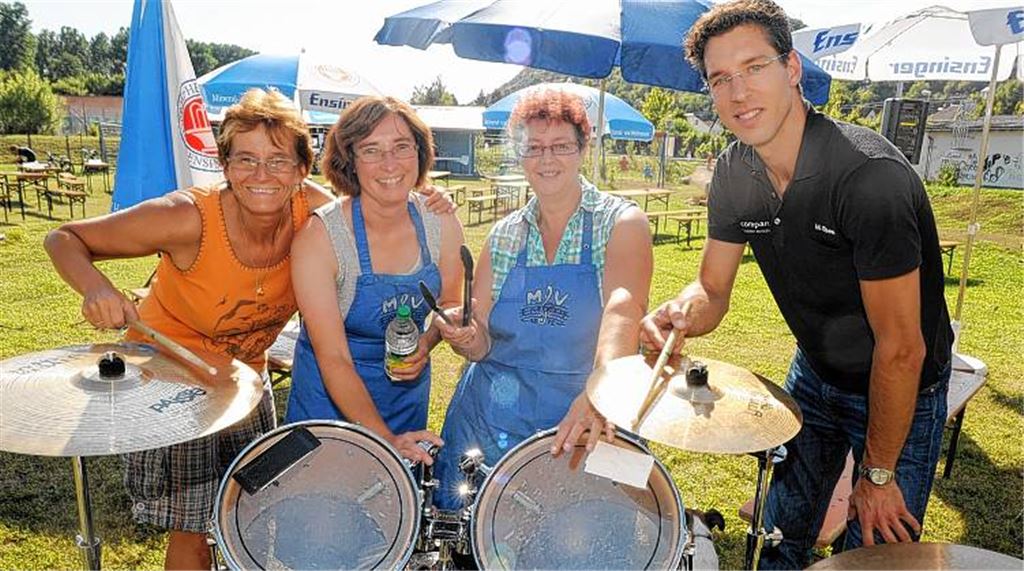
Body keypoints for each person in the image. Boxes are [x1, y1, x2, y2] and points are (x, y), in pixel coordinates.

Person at [44, 88, 453, 570]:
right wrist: (95, 287)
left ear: (302, 169)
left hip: (245, 384)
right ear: (225, 164)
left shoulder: (312, 212)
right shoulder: (185, 217)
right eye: (245, 159)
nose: (262, 175)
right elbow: (63, 238)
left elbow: (370, 199)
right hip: (174, 383)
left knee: (253, 511)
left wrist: (426, 196)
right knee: (195, 527)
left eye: (279, 160)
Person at [639, 1, 953, 568]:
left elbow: (902, 348)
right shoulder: (734, 172)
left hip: (901, 384)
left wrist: (877, 474)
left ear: (791, 70)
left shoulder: (866, 178)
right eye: (720, 79)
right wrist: (680, 311)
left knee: (874, 551)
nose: (738, 93)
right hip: (814, 373)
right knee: (781, 533)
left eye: (754, 67)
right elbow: (712, 288)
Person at [430, 88, 653, 510]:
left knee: (593, 531)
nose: (547, 160)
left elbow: (623, 311)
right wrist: (465, 336)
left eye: (561, 146)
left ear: (583, 148)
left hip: (587, 408)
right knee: (473, 532)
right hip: (493, 416)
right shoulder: (505, 235)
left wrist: (600, 393)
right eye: (533, 148)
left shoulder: (621, 223)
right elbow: (482, 342)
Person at [285, 96, 464, 465]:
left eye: (401, 147)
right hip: (327, 402)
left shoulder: (440, 222)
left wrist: (426, 343)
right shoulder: (321, 238)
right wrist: (385, 440)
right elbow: (333, 358)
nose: (390, 164)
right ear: (349, 159)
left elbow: (449, 304)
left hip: (403, 399)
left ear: (419, 152)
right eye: (371, 150)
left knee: (392, 512)